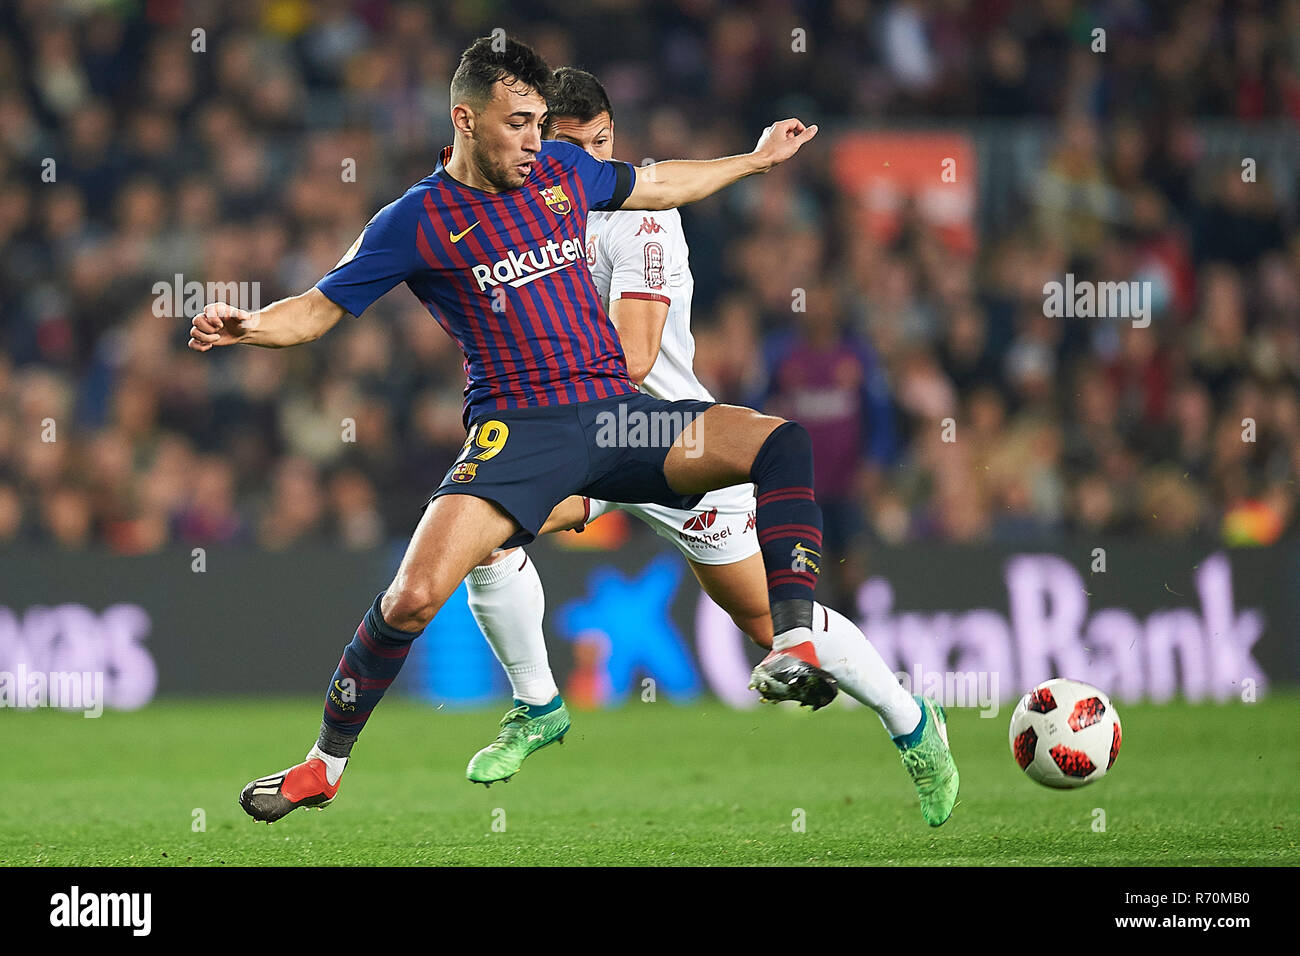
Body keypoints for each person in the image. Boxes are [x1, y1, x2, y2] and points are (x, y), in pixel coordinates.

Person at [188, 36, 957, 827]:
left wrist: (756, 162)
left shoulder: (569, 179)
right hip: (521, 436)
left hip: (627, 419)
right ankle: (335, 761)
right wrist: (248, 324)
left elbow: (659, 187)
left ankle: (834, 671)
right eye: (519, 123)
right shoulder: (412, 221)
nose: (534, 142)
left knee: (779, 450)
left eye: (540, 125)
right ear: (465, 119)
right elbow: (316, 309)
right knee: (415, 595)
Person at [459, 68, 958, 826]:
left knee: (768, 625)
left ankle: (912, 722)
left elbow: (628, 360)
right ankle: (537, 705)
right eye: (567, 148)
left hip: (663, 441)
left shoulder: (643, 220)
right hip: (577, 440)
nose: (586, 162)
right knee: (484, 532)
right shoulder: (515, 208)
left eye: (601, 144)